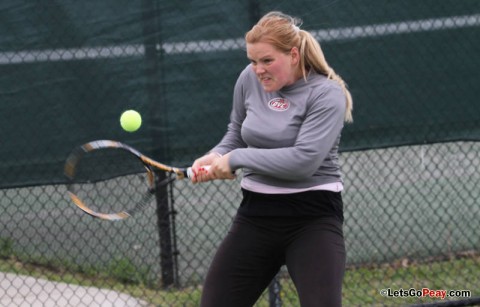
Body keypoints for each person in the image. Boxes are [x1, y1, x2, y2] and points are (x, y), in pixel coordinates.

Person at [191, 11, 353, 307]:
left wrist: (237, 159)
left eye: (267, 60)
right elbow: (236, 133)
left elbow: (304, 161)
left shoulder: (327, 94)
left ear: (293, 55)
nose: (258, 69)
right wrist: (215, 155)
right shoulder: (248, 80)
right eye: (253, 61)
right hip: (255, 217)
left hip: (313, 219)